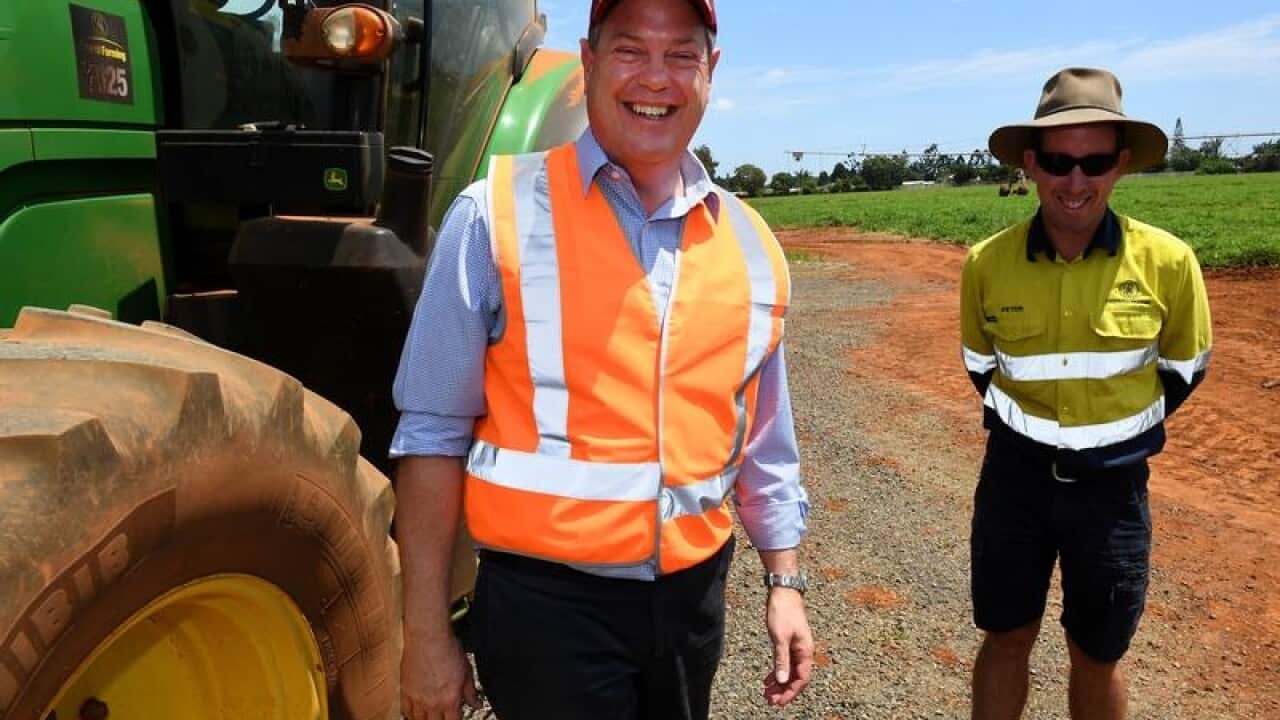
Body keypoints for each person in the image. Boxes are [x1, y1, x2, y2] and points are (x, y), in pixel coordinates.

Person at [390, 1, 813, 718]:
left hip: (690, 609)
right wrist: (425, 631)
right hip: (546, 612)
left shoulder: (752, 246)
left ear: (711, 73)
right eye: (630, 50)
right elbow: (430, 435)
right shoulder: (493, 214)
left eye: (681, 54)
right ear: (586, 63)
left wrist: (785, 582)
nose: (656, 78)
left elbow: (764, 442)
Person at [960, 67, 1213, 719]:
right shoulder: (985, 264)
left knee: (1097, 652)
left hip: (1113, 489)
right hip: (1014, 482)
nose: (1076, 182)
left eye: (1095, 161)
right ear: (1031, 163)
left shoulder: (1169, 263)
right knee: (1007, 633)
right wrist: (1038, 431)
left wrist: (1109, 434)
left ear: (1121, 165)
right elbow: (980, 364)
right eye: (1059, 162)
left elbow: (1185, 368)